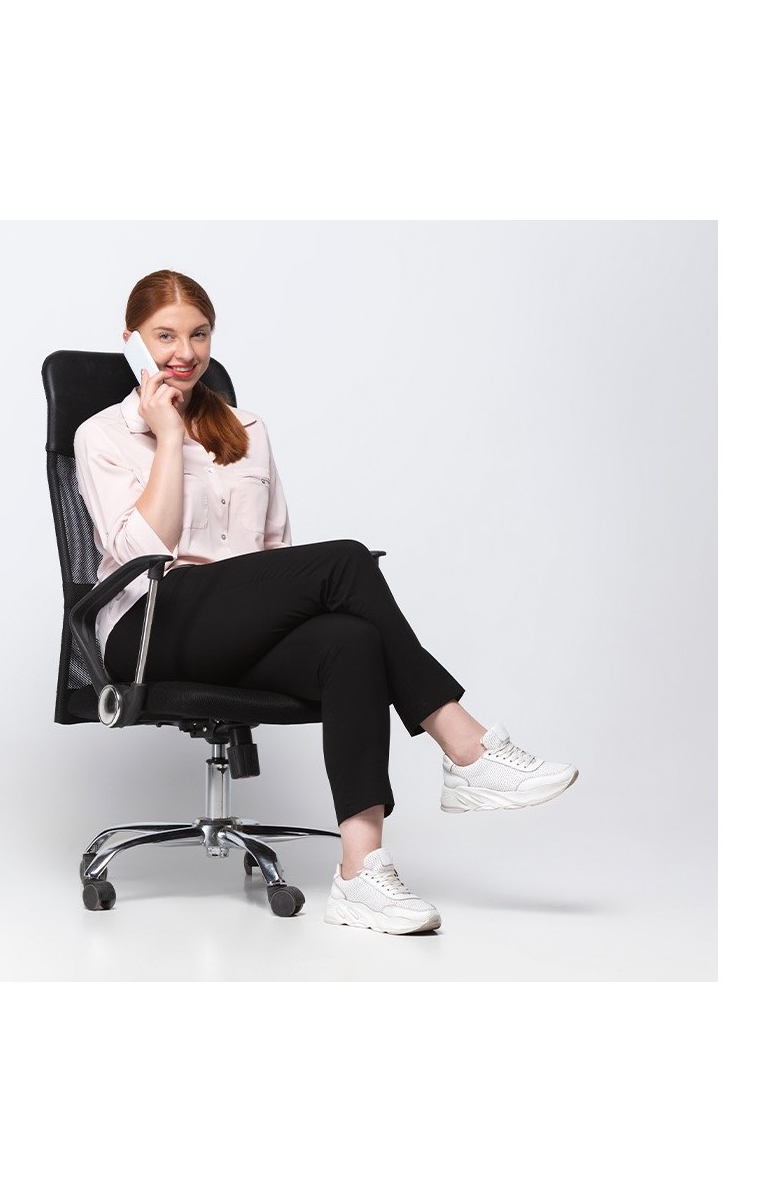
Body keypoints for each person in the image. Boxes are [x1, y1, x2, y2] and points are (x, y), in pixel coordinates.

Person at [73, 269, 578, 935]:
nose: (184, 353)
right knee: (345, 559)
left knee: (351, 640)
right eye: (164, 336)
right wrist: (168, 436)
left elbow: (276, 549)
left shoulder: (246, 428)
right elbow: (144, 547)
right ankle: (466, 746)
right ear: (132, 340)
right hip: (149, 630)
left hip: (234, 626)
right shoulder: (101, 434)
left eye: (199, 335)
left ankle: (361, 875)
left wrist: (278, 605)